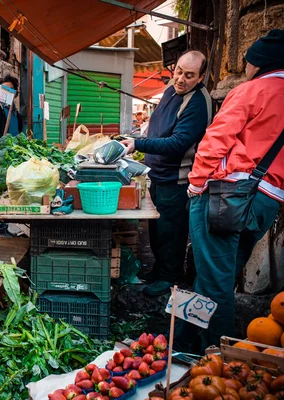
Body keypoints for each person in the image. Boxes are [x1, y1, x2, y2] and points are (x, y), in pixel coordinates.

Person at [175, 29, 284, 352]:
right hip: (267, 202)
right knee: (214, 275)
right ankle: (183, 342)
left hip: (227, 197)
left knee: (215, 282)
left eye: (248, 62)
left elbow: (216, 140)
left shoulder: (252, 90)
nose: (246, 68)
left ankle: (219, 358)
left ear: (258, 64)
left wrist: (195, 186)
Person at [121, 50, 212, 296]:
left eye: (189, 75)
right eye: (179, 72)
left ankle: (171, 279)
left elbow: (178, 143)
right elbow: (158, 128)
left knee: (172, 232)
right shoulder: (172, 91)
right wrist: (138, 139)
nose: (181, 79)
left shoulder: (198, 102)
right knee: (157, 230)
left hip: (178, 180)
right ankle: (159, 272)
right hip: (158, 175)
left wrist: (137, 144)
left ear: (201, 76)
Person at [0, 75, 23, 143]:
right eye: (5, 89)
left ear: (15, 93)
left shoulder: (16, 113)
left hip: (15, 150)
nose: (8, 92)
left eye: (11, 89)